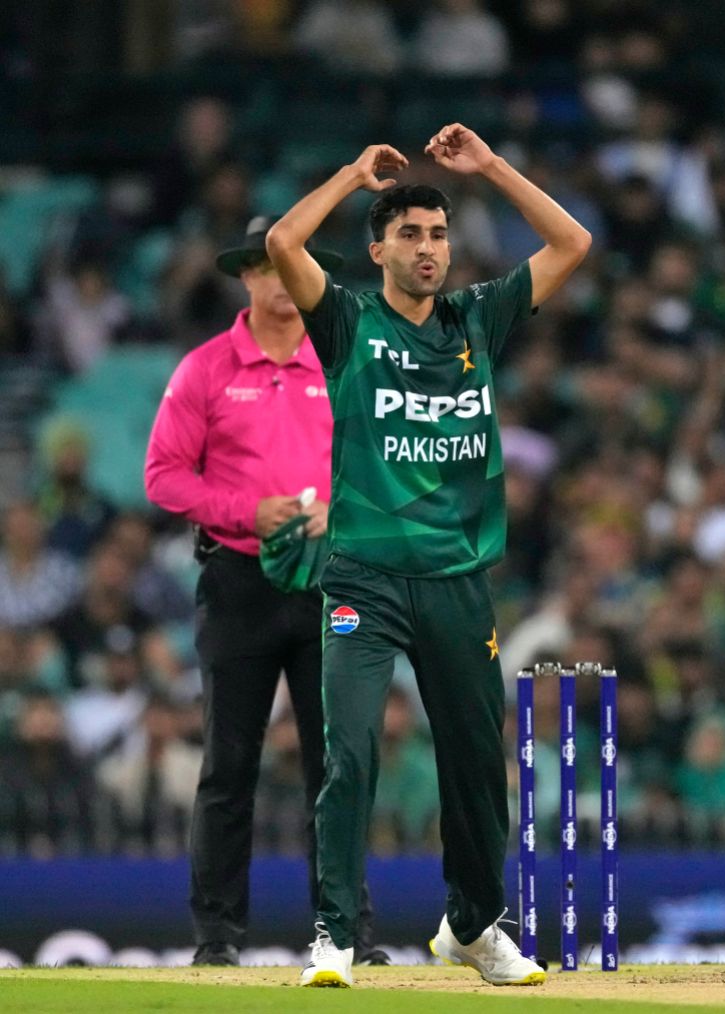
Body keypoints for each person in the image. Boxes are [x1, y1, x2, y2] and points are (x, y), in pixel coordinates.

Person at [266, 122, 591, 988]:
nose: (428, 249)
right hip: (363, 578)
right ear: (376, 249)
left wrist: (489, 168)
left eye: (439, 234)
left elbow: (573, 242)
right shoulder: (344, 319)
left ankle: (474, 926)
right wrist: (349, 170)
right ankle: (333, 936)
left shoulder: (478, 317)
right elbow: (282, 242)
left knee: (479, 759)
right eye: (408, 233)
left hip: (456, 580)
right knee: (354, 750)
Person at [144, 216, 387, 967]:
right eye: (273, 265)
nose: (286, 279)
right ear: (248, 276)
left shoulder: (345, 361)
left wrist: (337, 512)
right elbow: (163, 476)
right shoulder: (206, 369)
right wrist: (246, 512)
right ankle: (217, 937)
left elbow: (385, 466)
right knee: (229, 762)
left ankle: (343, 934)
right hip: (239, 578)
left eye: (299, 265)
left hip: (329, 578)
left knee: (337, 764)